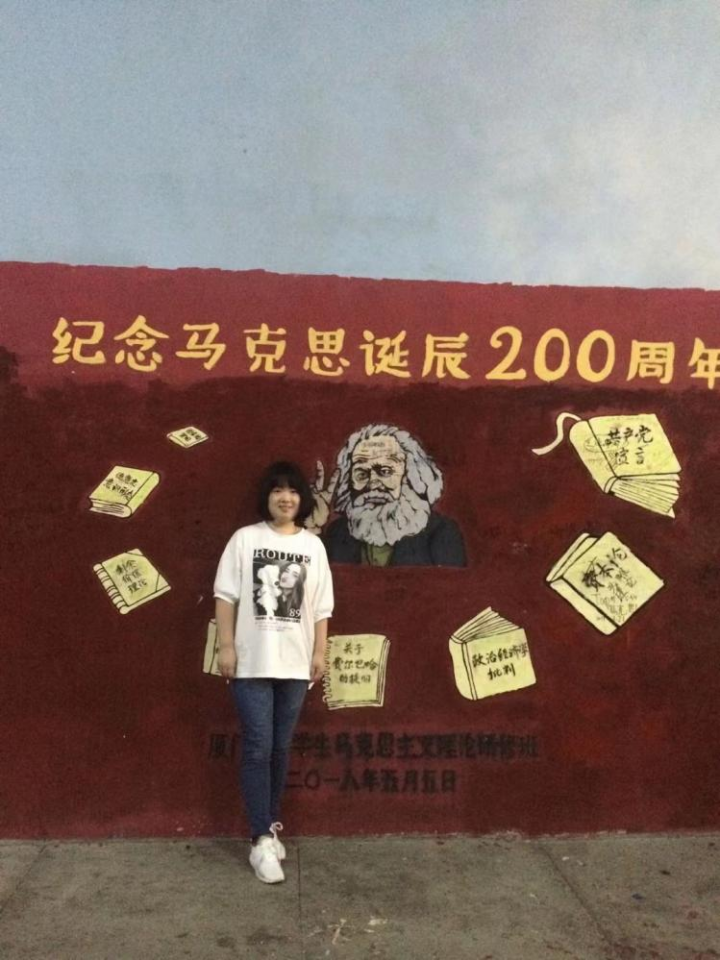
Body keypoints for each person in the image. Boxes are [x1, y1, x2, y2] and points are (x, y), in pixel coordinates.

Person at [214, 461, 333, 884]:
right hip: (251, 661)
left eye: (294, 491)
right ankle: (260, 838)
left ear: (303, 499)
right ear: (267, 497)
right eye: (278, 490)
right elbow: (225, 596)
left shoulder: (313, 547)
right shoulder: (245, 539)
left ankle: (270, 824)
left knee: (280, 748)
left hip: (296, 663)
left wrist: (319, 652)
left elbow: (321, 607)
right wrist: (226, 647)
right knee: (258, 746)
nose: (286, 498)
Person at [309, 423, 466, 566]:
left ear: (411, 477)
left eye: (385, 471)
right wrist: (313, 529)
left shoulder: (441, 533)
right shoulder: (338, 533)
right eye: (361, 474)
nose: (373, 484)